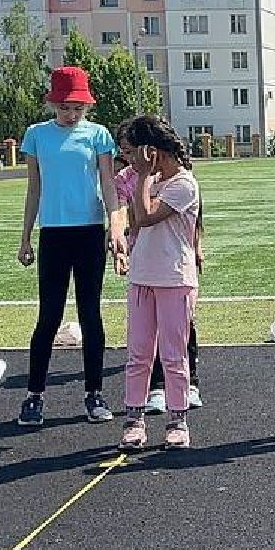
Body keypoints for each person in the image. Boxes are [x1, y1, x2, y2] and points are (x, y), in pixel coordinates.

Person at [16, 66, 127, 428]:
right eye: (65, 106)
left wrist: (116, 228)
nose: (72, 113)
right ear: (53, 103)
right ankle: (34, 395)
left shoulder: (98, 136)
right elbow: (33, 189)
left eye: (78, 107)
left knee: (90, 314)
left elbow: (109, 186)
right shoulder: (37, 136)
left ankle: (94, 393)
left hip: (90, 231)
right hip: (54, 233)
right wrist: (25, 237)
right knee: (48, 316)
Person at [115, 116, 200, 450]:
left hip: (174, 279)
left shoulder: (183, 184)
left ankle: (177, 420)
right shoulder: (145, 181)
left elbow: (148, 216)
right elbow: (134, 219)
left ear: (151, 151)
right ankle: (134, 420)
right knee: (138, 354)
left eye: (134, 153)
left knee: (173, 354)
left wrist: (143, 179)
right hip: (142, 277)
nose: (129, 160)